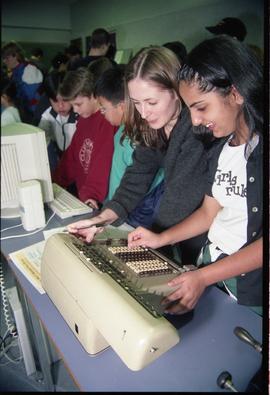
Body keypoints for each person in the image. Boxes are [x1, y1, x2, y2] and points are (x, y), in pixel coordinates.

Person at [127, 36, 263, 316]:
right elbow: (208, 212)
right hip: (213, 271)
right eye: (191, 110)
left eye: (201, 107)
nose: (196, 120)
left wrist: (204, 277)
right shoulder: (221, 148)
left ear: (236, 93)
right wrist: (161, 238)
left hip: (245, 286)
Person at [67, 46, 209, 264]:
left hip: (204, 236)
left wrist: (138, 241)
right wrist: (103, 218)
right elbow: (136, 177)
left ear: (176, 91)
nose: (143, 113)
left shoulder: (195, 129)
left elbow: (179, 201)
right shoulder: (153, 126)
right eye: (136, 103)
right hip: (177, 234)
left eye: (151, 102)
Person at [94, 65, 164, 227]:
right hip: (117, 210)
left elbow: (144, 186)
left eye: (104, 108)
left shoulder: (141, 140)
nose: (101, 113)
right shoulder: (123, 130)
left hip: (133, 217)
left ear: (122, 106)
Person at [52, 67, 117, 208]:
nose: (75, 110)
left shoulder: (107, 120)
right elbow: (73, 155)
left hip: (99, 198)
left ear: (94, 96)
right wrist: (55, 180)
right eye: (73, 105)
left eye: (78, 104)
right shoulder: (84, 118)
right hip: (85, 194)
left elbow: (103, 160)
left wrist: (91, 195)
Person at [38, 70, 77, 171]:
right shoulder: (48, 115)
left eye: (65, 100)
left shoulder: (80, 115)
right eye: (55, 101)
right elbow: (40, 137)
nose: (60, 106)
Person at [2, 41, 44, 123]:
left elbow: (28, 97)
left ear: (15, 56)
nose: (4, 61)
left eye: (6, 58)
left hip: (31, 114)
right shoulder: (16, 71)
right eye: (3, 58)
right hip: (22, 112)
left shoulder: (29, 69)